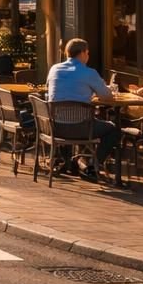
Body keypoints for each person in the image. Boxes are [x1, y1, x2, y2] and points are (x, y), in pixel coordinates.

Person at [46, 38, 119, 182]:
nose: (88, 56)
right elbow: (107, 96)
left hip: (55, 127)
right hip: (82, 128)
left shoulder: (54, 69)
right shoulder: (89, 73)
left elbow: (48, 91)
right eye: (88, 53)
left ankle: (69, 162)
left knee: (79, 119)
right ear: (83, 53)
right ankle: (92, 164)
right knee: (113, 130)